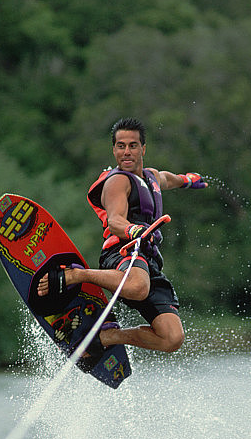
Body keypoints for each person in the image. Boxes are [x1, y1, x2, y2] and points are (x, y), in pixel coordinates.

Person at [37, 117, 208, 360]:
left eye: (132, 145)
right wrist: (132, 230)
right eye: (120, 146)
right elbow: (115, 219)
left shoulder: (152, 177)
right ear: (114, 149)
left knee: (172, 338)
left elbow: (169, 179)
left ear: (143, 149)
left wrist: (188, 181)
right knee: (137, 287)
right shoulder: (116, 182)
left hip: (149, 264)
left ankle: (107, 337)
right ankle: (75, 275)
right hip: (124, 252)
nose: (126, 152)